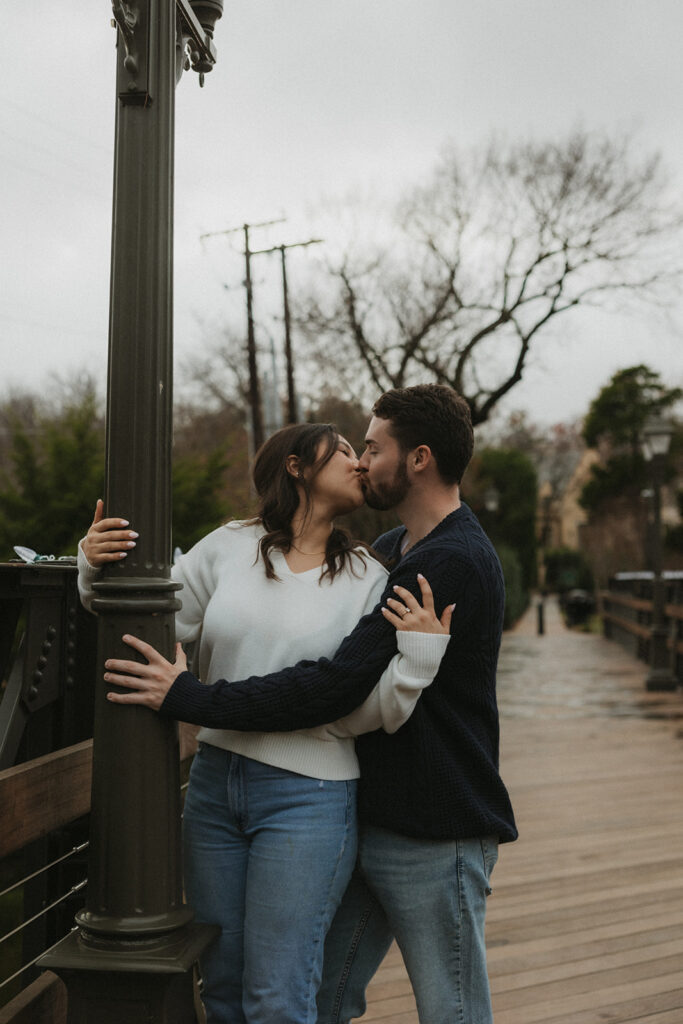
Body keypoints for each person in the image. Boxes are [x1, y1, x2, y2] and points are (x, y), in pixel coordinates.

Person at [100, 385, 518, 1024]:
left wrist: (193, 699)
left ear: (419, 459)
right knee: (314, 997)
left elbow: (335, 688)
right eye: (351, 449)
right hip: (375, 812)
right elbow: (157, 606)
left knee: (448, 1009)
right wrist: (89, 564)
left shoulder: (437, 561)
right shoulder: (393, 548)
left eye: (372, 448)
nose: (361, 461)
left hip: (435, 825)